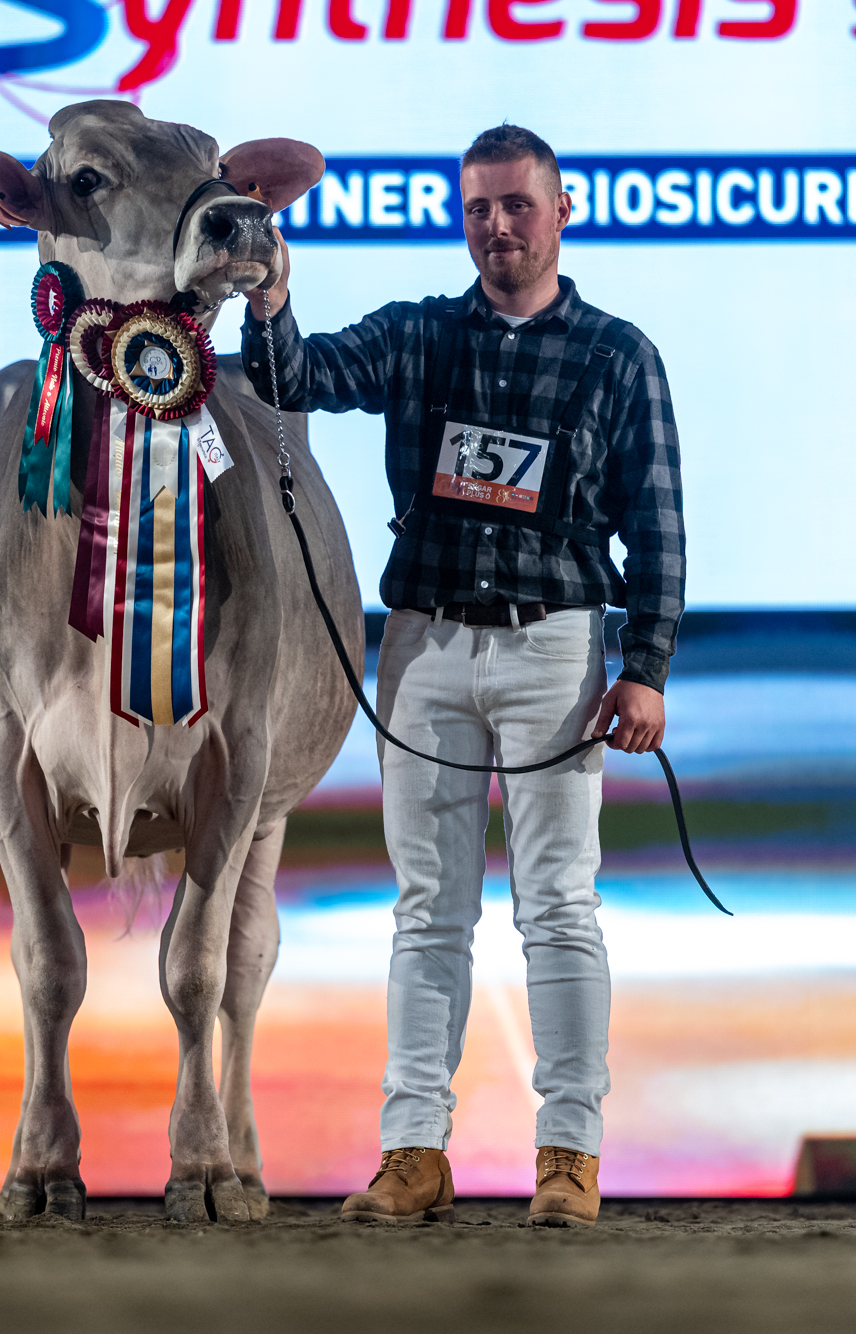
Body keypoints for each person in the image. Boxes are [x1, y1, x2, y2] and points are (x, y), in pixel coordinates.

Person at [241, 124, 685, 1228]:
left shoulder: (619, 355)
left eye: (517, 205)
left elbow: (657, 526)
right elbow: (294, 377)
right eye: (478, 208)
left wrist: (644, 668)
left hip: (556, 651)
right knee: (426, 912)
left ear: (561, 210)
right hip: (425, 647)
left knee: (559, 908)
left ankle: (568, 1156)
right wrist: (271, 298)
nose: (497, 226)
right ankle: (411, 1153)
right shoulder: (416, 334)